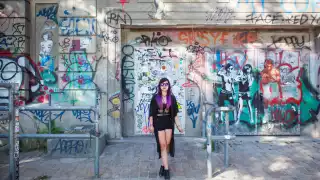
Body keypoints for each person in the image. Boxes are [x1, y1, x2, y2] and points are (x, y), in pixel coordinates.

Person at [149, 77, 183, 180]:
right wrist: (151, 125)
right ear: (159, 86)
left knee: (167, 144)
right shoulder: (155, 98)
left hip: (169, 123)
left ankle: (163, 165)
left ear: (169, 86)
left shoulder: (172, 98)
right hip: (158, 123)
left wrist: (179, 126)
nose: (164, 86)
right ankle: (167, 170)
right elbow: (151, 113)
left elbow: (175, 114)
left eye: (166, 84)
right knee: (162, 145)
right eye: (162, 84)